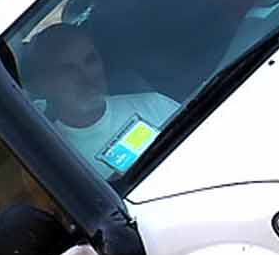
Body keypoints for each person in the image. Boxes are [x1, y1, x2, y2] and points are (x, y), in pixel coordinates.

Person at [19, 22, 178, 174]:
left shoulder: (154, 104)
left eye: (90, 60)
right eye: (68, 69)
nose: (86, 76)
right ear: (45, 84)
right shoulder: (49, 157)